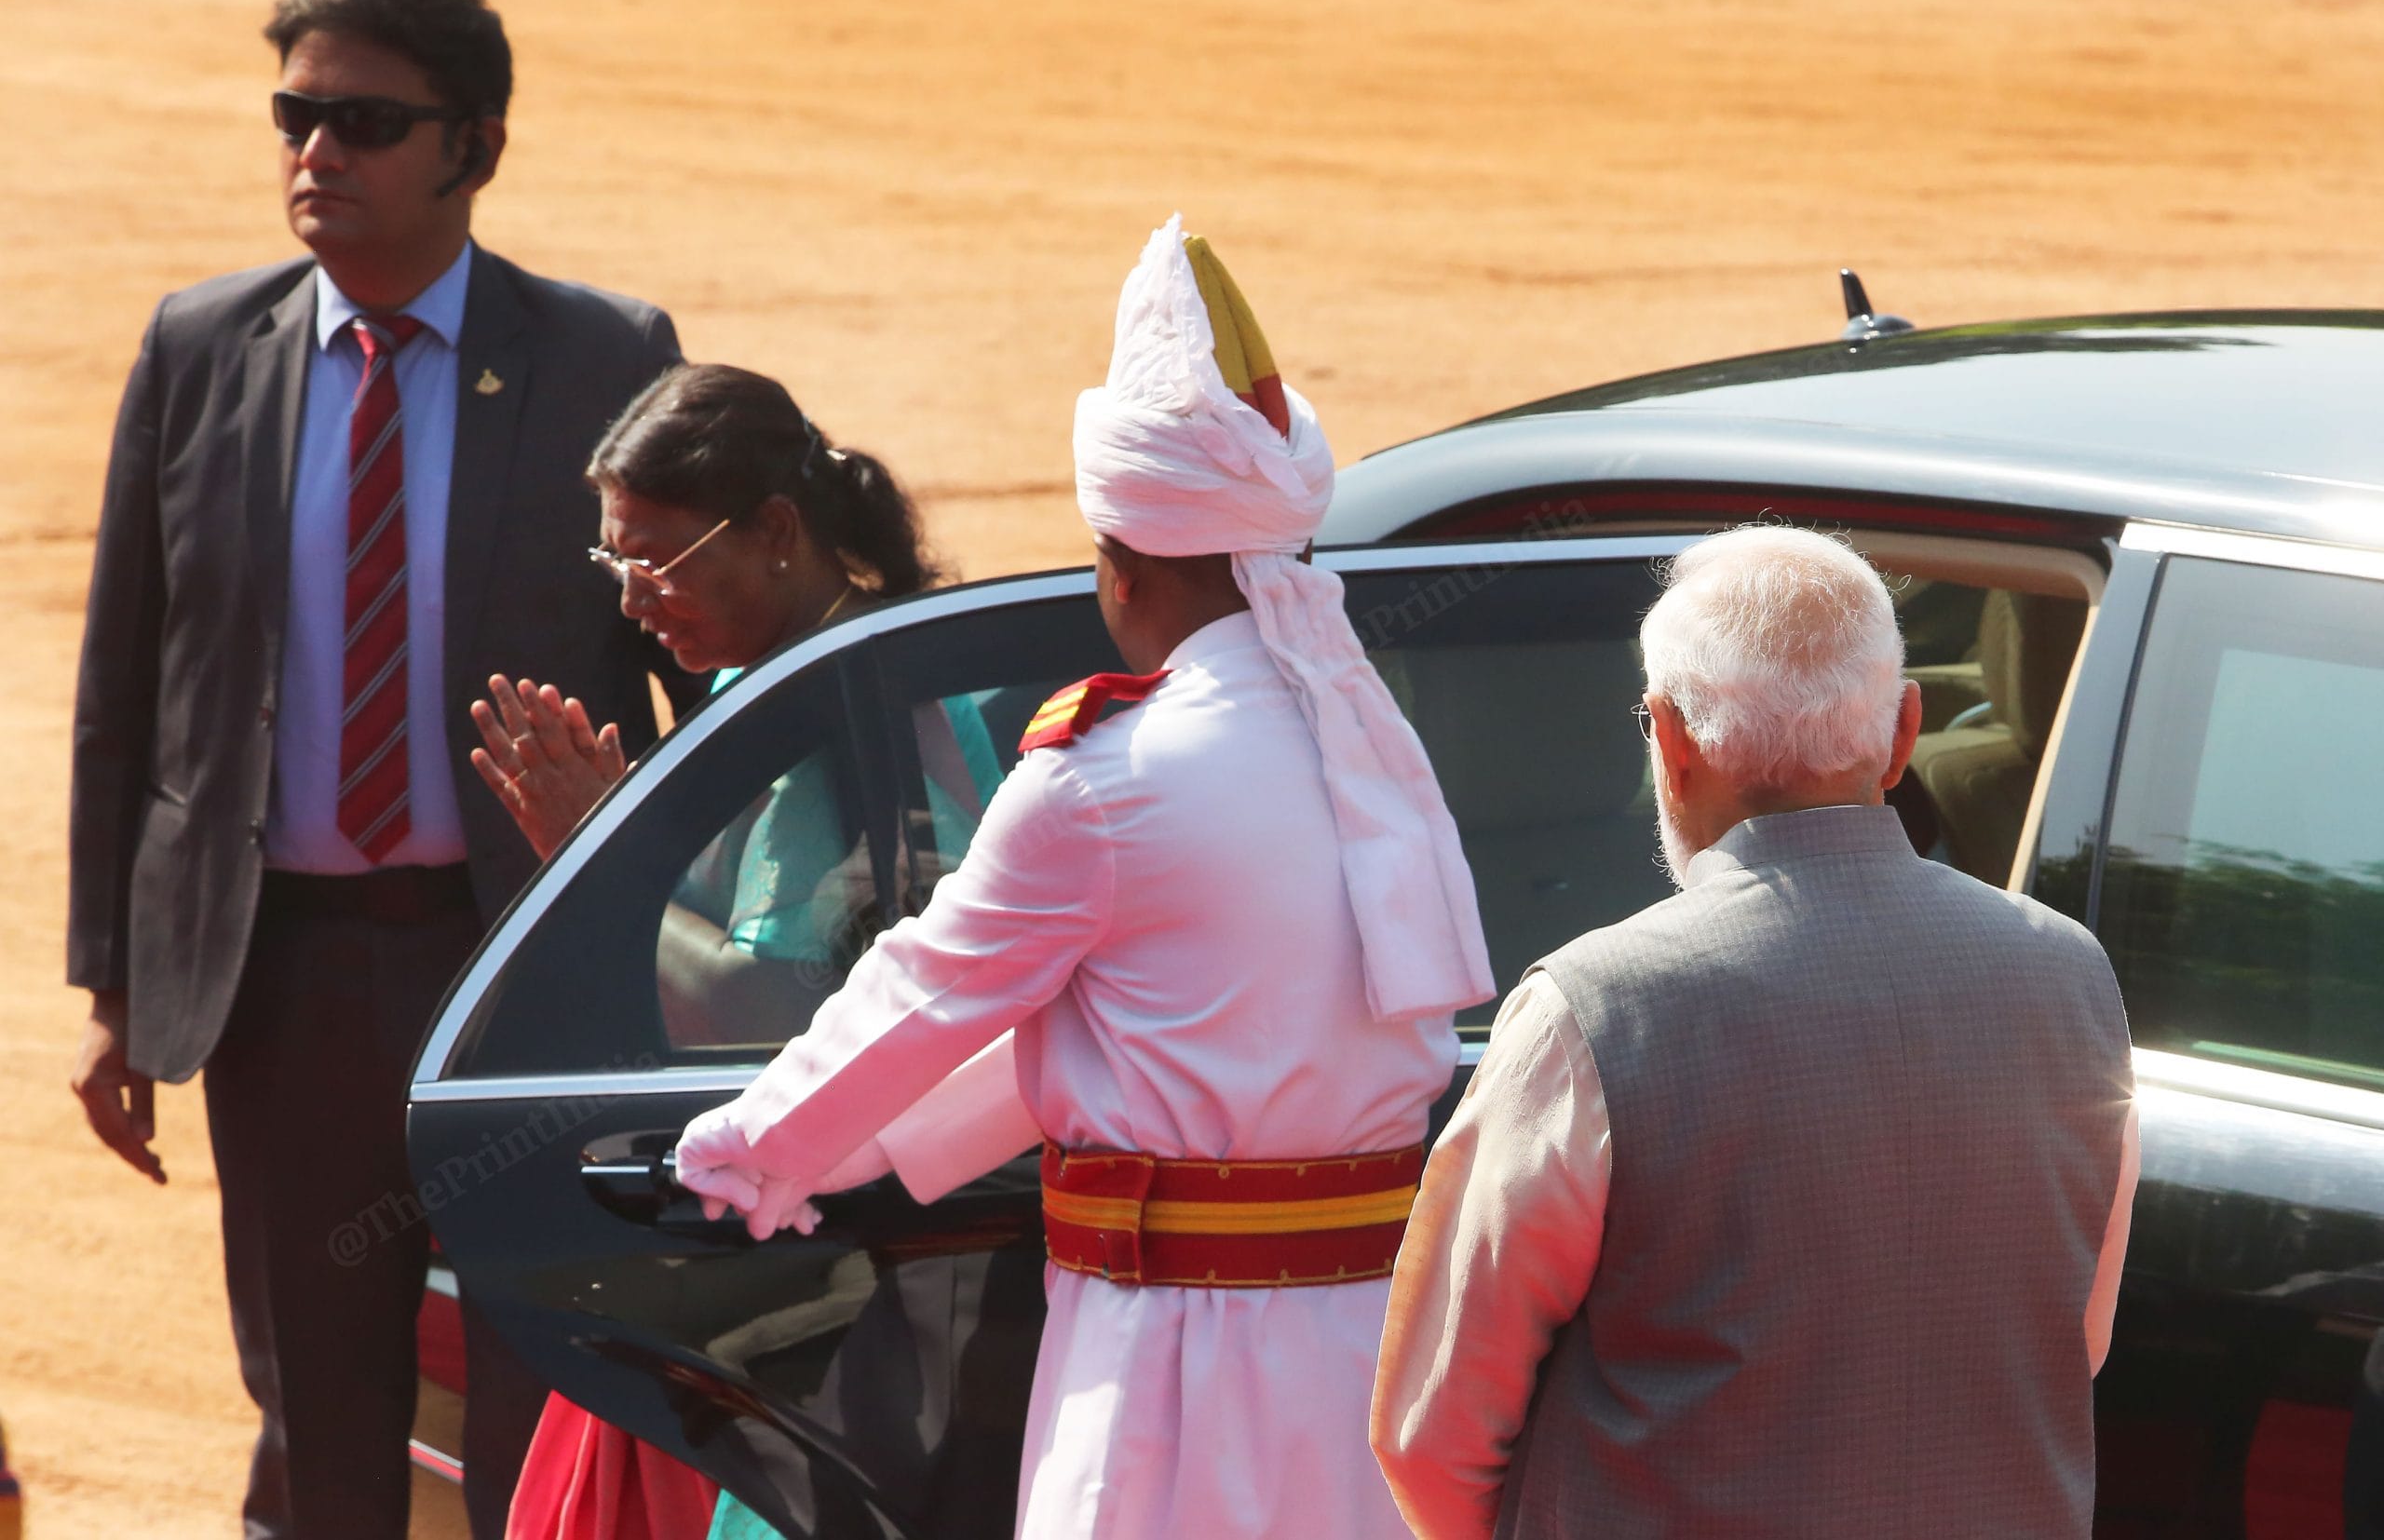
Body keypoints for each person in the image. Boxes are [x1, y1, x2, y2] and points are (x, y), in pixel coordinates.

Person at [670, 216, 1495, 1537]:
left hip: (1176, 1355)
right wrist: (878, 1142)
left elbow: (928, 987)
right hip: (1371, 1350)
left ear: (1116, 565)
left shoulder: (1106, 775)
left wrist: (751, 1149)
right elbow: (1154, 1017)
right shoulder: (1365, 739)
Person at [63, 0, 695, 1536]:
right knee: (313, 1395)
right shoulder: (203, 346)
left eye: (362, 122)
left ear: (469, 148)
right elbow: (128, 687)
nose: (315, 155)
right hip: (281, 977)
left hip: (515, 972)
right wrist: (115, 991)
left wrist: (691, 959)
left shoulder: (606, 358)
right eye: (296, 116)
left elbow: (684, 664)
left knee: (533, 1375)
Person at [1370, 524, 2142, 1539]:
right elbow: (2073, 1337)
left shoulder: (1598, 1003)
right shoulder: (2072, 975)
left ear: (1670, 739)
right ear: (1905, 732)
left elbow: (1433, 1426)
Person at [471, 362, 998, 1540]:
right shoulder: (781, 679)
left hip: (837, 1270)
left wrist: (604, 850)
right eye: (615, 560)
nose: (630, 598)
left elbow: (764, 1001)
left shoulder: (848, 704)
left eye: (653, 558)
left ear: (772, 531)